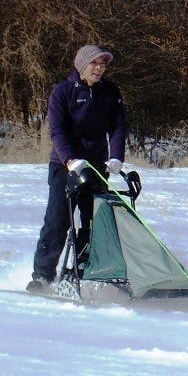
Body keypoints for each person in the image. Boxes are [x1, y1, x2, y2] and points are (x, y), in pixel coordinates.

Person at [27, 44, 128, 292]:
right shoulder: (62, 92)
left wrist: (116, 157)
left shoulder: (110, 91)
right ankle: (42, 275)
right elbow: (57, 130)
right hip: (65, 165)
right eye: (95, 63)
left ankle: (82, 270)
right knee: (57, 219)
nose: (99, 68)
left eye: (103, 64)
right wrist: (70, 160)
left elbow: (118, 126)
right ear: (82, 65)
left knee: (91, 221)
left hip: (95, 166)